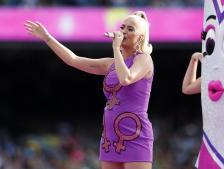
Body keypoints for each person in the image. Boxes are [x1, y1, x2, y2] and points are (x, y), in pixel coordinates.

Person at [24, 10, 154, 169]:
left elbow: (126, 78)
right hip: (110, 136)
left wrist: (116, 48)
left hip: (135, 133)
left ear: (140, 36)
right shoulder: (110, 64)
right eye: (122, 27)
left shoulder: (144, 59)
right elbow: (74, 60)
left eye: (130, 29)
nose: (124, 31)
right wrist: (47, 38)